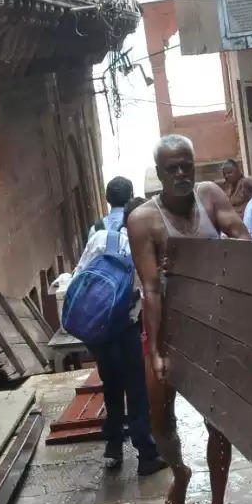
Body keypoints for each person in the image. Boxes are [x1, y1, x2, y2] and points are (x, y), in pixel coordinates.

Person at [127, 134, 252, 504]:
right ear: (159, 174)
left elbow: (243, 241)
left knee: (219, 423)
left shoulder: (210, 196)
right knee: (160, 421)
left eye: (186, 165)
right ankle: (179, 471)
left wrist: (209, 260)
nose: (181, 173)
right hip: (168, 325)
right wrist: (157, 350)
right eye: (171, 168)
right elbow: (151, 288)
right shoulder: (144, 220)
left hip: (211, 325)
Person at [74, 177, 165, 476]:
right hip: (126, 326)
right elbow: (147, 288)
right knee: (136, 389)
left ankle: (113, 448)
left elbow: (79, 274)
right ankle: (146, 456)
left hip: (99, 328)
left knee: (110, 386)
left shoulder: (98, 233)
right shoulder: (139, 239)